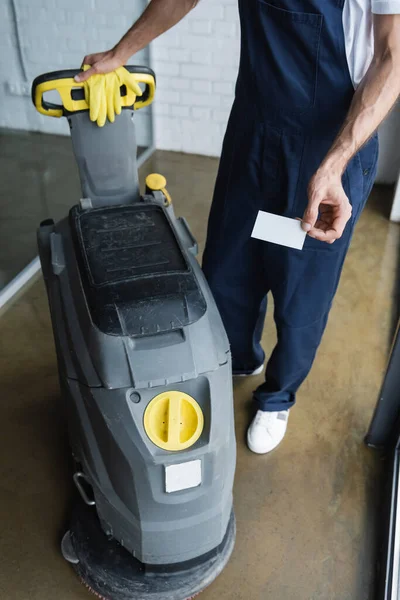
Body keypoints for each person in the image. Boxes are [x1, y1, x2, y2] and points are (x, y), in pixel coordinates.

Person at [76, 0, 400, 454]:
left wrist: (335, 163)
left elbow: (392, 56)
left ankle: (277, 396)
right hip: (253, 132)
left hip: (325, 149)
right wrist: (121, 52)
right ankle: (236, 359)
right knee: (228, 270)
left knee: (300, 289)